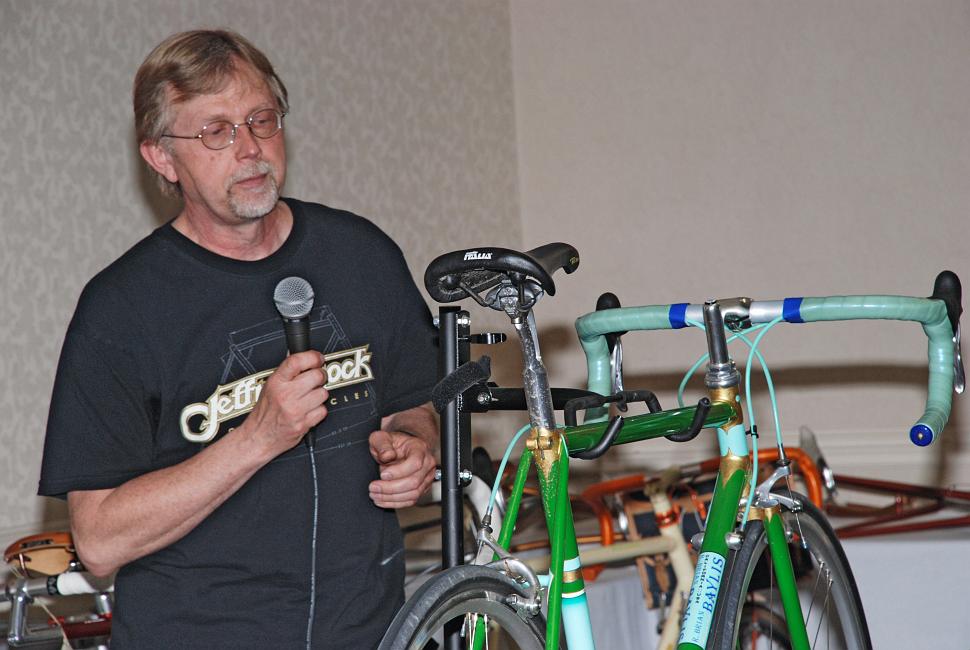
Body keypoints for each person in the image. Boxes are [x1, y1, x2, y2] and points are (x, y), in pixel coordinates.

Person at [38, 29, 439, 649]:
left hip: (370, 632)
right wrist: (257, 437)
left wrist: (414, 445)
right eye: (215, 131)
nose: (250, 148)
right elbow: (99, 539)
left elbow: (414, 397)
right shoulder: (120, 309)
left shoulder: (362, 255)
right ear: (162, 158)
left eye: (261, 119)